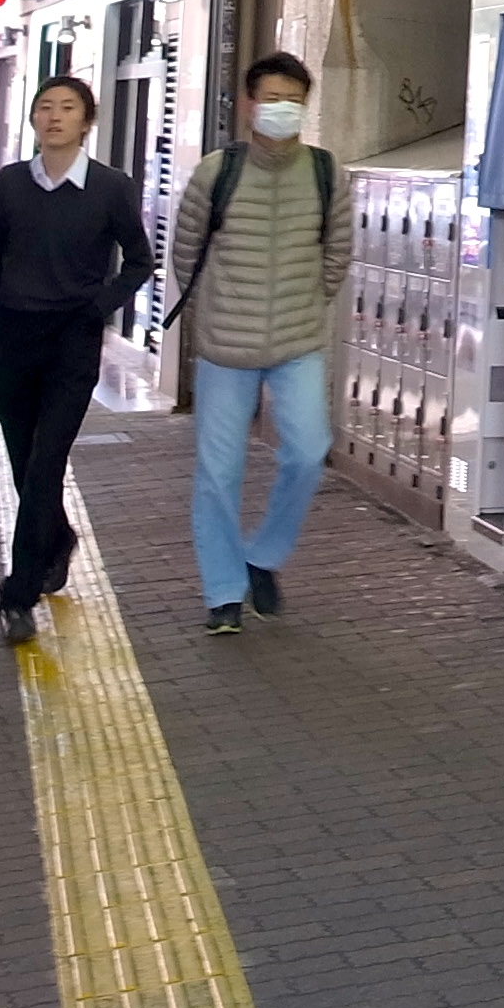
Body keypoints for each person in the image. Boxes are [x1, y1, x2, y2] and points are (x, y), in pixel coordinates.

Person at [169, 52, 349, 634]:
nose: (281, 110)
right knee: (218, 472)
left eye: (293, 100)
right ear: (250, 103)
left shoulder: (326, 173)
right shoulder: (215, 172)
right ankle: (224, 591)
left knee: (306, 452)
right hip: (225, 347)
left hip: (297, 342)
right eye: (271, 98)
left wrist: (307, 305)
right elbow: (185, 253)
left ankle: (263, 555)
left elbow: (337, 253)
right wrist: (213, 314)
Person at [0, 78, 152, 643]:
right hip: (14, 337)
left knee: (47, 461)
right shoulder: (10, 183)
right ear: (33, 118)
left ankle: (19, 592)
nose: (54, 117)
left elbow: (139, 261)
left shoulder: (109, 188)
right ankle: (57, 537)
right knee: (24, 458)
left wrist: (96, 308)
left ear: (86, 122)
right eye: (45, 108)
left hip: (72, 343)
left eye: (68, 108)